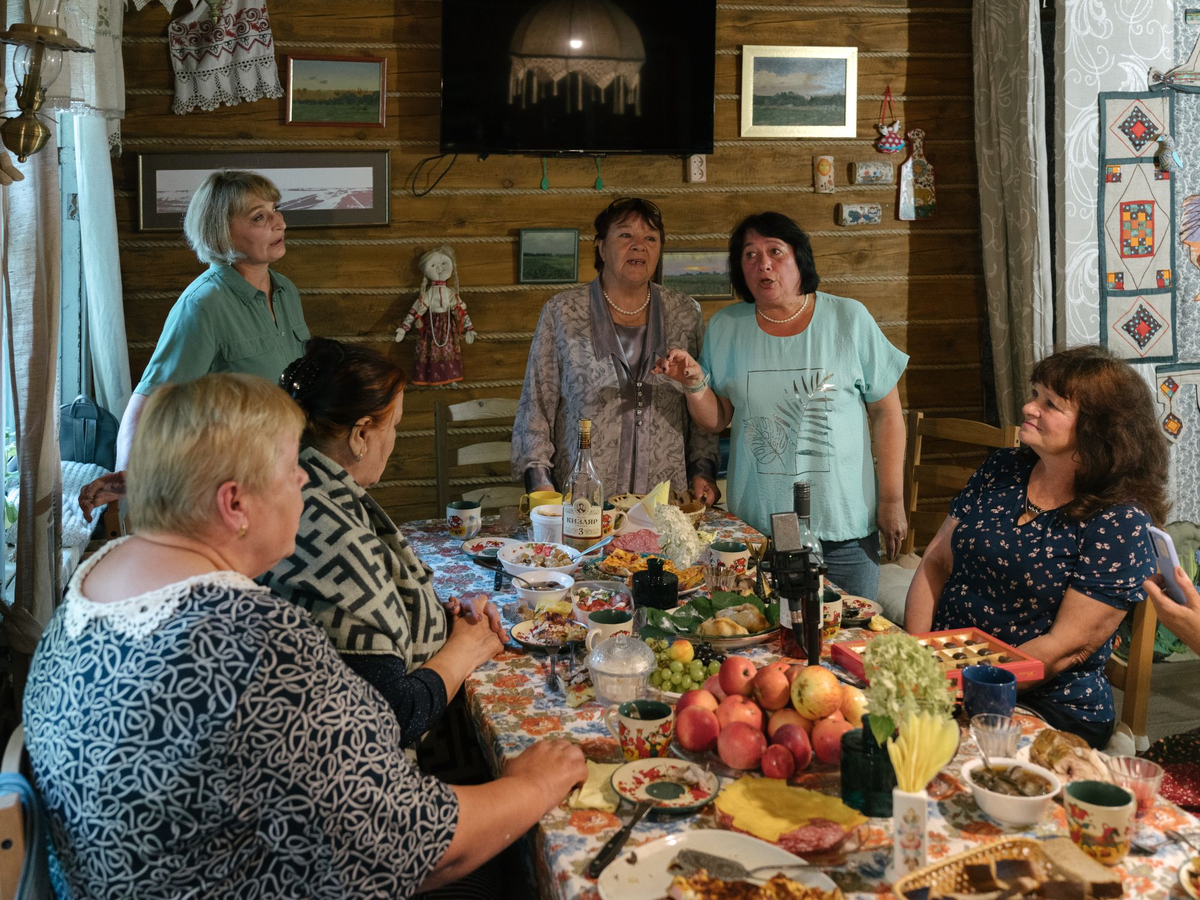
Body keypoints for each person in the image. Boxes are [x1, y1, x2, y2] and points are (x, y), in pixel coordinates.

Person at [23, 373, 587, 899]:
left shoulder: (96, 582)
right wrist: (532, 783)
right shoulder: (256, 648)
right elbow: (418, 846)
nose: (303, 478)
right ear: (234, 503)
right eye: (290, 465)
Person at [904, 345, 1169, 748]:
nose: (1030, 408)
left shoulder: (1120, 521)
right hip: (946, 672)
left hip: (1044, 704)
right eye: (1034, 395)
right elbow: (936, 561)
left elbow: (1065, 648)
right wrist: (915, 660)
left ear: (1097, 428)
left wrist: (961, 691)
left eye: (1051, 404)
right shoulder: (1004, 468)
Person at [656, 211, 907, 599]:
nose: (763, 264)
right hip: (760, 532)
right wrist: (693, 383)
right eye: (750, 255)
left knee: (849, 642)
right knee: (766, 640)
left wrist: (891, 500)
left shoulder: (848, 319)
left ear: (799, 259)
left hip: (844, 526)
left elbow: (887, 413)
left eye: (775, 251)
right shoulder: (727, 327)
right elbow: (716, 419)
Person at [263, 338, 502, 744]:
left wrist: (440, 620)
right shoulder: (327, 536)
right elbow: (391, 716)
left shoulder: (299, 485)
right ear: (360, 435)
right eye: (394, 426)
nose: (393, 439)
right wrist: (464, 651)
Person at [79, 169, 311, 518]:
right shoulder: (204, 303)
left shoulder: (285, 290)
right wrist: (130, 475)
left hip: (286, 473)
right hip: (229, 487)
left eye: (276, 210)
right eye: (259, 217)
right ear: (221, 232)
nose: (279, 223)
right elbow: (151, 398)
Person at [512, 197, 720, 504]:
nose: (639, 246)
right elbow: (535, 410)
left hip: (666, 504)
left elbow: (700, 401)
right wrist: (541, 486)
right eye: (625, 235)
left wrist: (703, 471)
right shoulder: (563, 312)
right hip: (583, 506)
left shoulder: (685, 313)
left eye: (650, 238)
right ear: (600, 247)